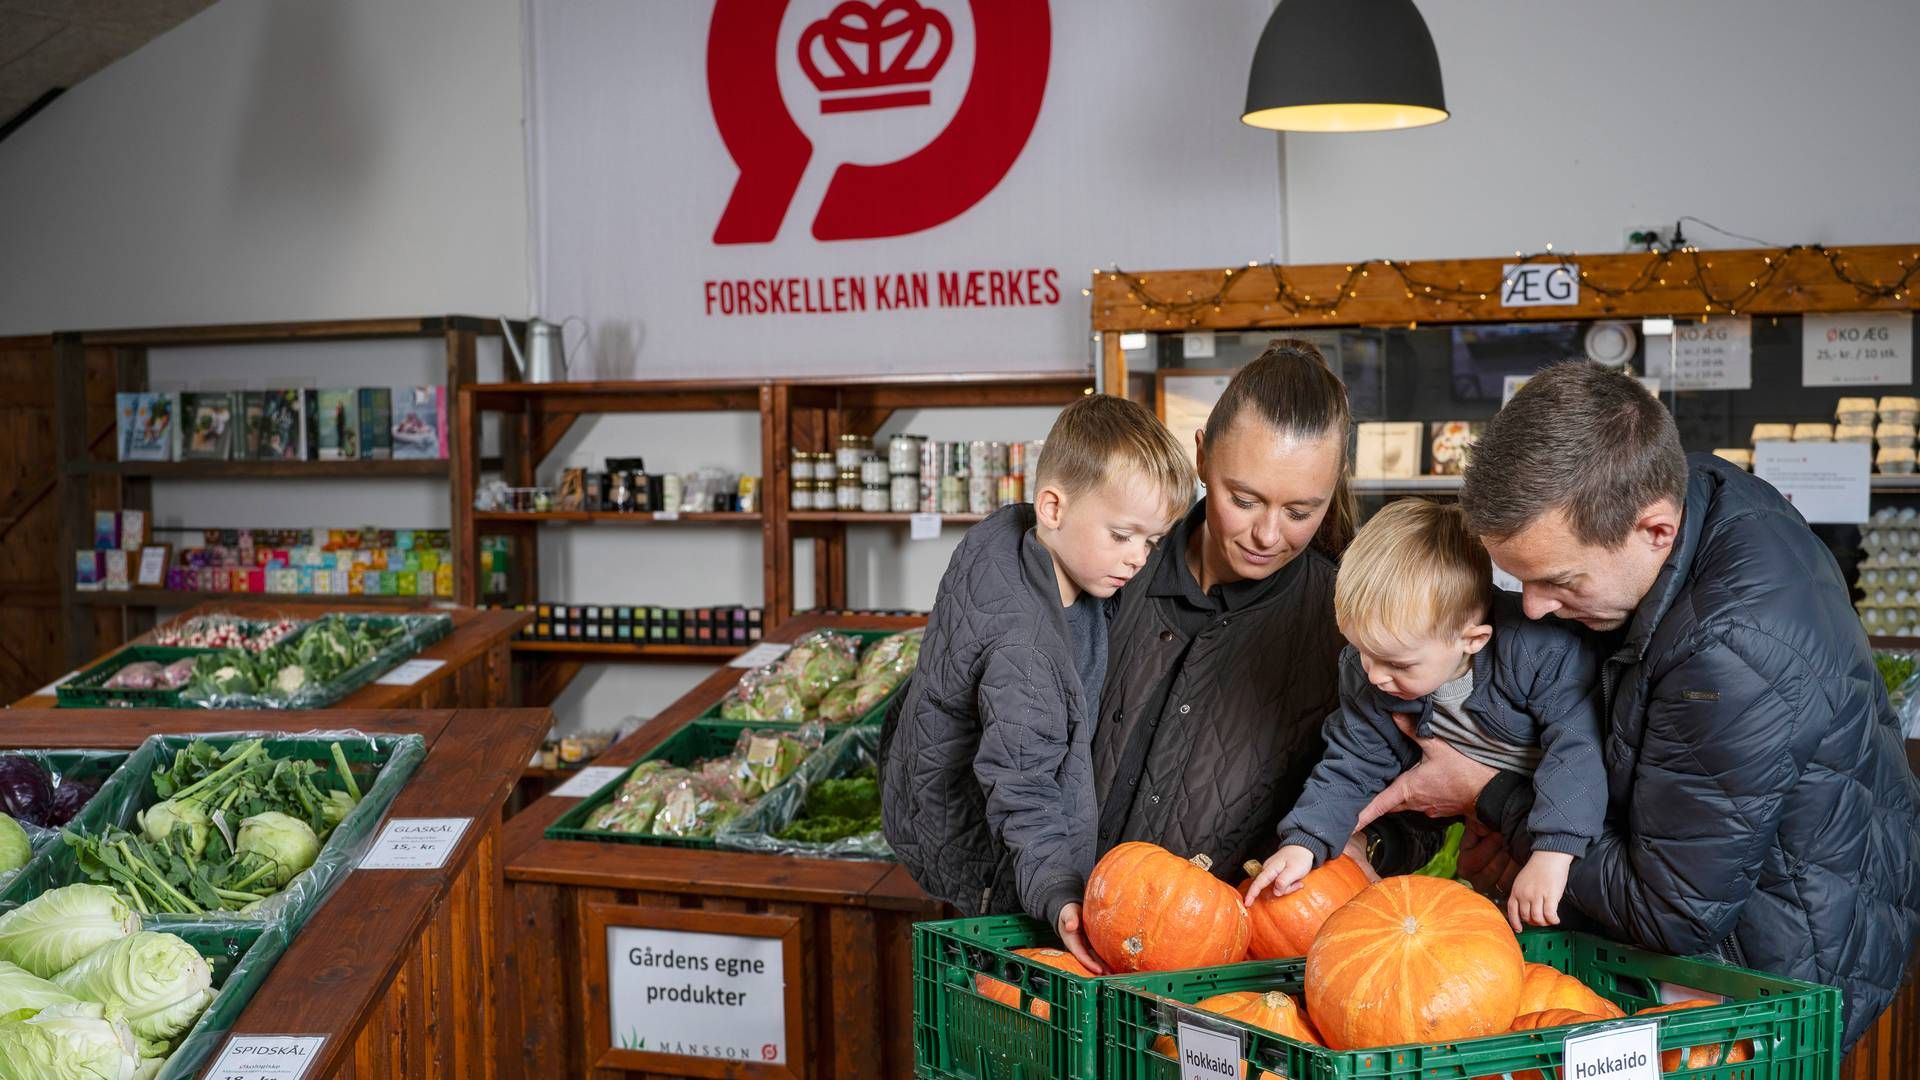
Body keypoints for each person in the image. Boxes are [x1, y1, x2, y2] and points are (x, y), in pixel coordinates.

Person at [1357, 361, 1920, 1050]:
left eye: (1559, 580)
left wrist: (1490, 797)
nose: (1533, 608)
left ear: (1653, 529)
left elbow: (1672, 909)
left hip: (1757, 980)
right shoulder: (1692, 492)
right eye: (1520, 579)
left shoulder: (1729, 648)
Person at [1092, 339, 1446, 884]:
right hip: (1046, 937)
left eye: (1301, 511)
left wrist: (1362, 842)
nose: (1268, 535)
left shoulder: (1353, 628)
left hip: (1232, 957)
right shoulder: (1110, 569)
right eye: (1245, 500)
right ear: (1203, 456)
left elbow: (1415, 812)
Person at [880, 394, 1195, 972]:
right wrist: (1057, 890)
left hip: (940, 814)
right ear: (1052, 506)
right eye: (1123, 536)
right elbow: (1021, 782)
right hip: (988, 858)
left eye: (1150, 541)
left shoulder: (1023, 540)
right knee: (998, 1005)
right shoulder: (1026, 651)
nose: (1137, 560)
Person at [1247, 499, 1603, 933]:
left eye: (1397, 664)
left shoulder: (1539, 652)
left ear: (1472, 640)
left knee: (1559, 910)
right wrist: (1304, 842)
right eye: (1362, 651)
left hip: (1565, 818)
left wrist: (1552, 851)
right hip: (1478, 830)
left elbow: (1577, 751)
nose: (1375, 675)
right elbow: (1352, 762)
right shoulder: (1371, 671)